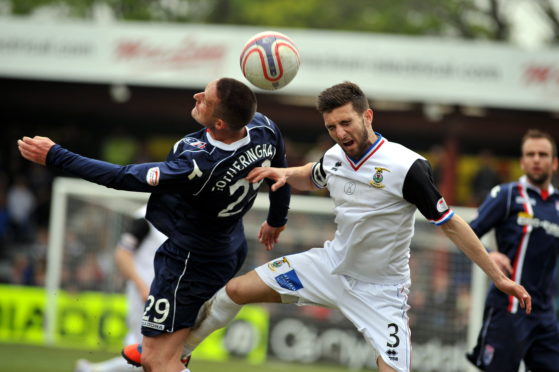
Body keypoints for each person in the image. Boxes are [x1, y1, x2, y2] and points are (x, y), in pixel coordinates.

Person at [159, 81, 532, 372]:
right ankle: (180, 355)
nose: (339, 133)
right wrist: (285, 173)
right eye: (331, 126)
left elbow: (450, 224)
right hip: (329, 268)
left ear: (367, 117)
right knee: (236, 290)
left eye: (346, 122)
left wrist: (498, 278)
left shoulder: (407, 167)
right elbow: (314, 175)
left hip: (381, 291)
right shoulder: (336, 156)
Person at [17, 77, 291, 372]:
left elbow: (120, 177)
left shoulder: (196, 164)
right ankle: (178, 345)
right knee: (165, 351)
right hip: (230, 243)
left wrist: (56, 155)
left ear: (221, 124)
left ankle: (171, 350)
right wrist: (277, 219)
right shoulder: (264, 127)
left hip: (189, 262)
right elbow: (282, 172)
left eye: (205, 99)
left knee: (156, 361)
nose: (196, 95)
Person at [466, 129, 559, 372]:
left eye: (543, 154)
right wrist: (490, 254)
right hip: (508, 310)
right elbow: (466, 232)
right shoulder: (506, 195)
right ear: (522, 161)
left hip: (545, 317)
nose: (536, 159)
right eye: (530, 154)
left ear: (554, 162)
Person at [75, 206, 166, 372]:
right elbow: (122, 254)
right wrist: (141, 286)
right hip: (145, 294)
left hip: (164, 295)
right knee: (147, 353)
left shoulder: (178, 215)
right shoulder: (145, 218)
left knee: (155, 353)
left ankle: (92, 370)